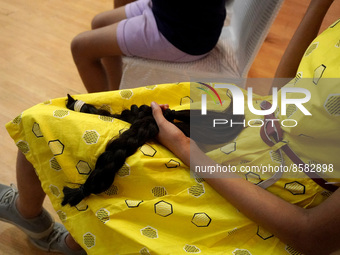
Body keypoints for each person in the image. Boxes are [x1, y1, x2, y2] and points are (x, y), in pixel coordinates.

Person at [1, 0, 340, 254]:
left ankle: (55, 232)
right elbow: (284, 91)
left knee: (50, 125)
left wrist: (184, 147)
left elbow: (311, 235)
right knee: (66, 129)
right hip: (251, 128)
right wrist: (318, 7)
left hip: (276, 180)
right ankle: (55, 230)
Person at [71, 0, 227, 93]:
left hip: (183, 34)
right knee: (99, 22)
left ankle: (108, 118)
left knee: (80, 48)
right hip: (173, 14)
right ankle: (116, 96)